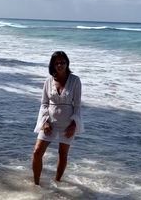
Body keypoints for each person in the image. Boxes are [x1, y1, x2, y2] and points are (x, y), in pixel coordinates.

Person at [32, 51, 83, 185]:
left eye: (63, 62)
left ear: (67, 63)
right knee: (37, 152)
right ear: (53, 65)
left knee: (62, 154)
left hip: (68, 124)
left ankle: (57, 182)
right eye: (57, 63)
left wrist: (74, 125)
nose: (60, 65)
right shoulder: (48, 81)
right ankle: (36, 185)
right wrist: (44, 122)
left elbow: (77, 105)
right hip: (50, 123)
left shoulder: (75, 80)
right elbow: (44, 103)